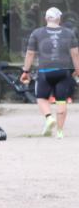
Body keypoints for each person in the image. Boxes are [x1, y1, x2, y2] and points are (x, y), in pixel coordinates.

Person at [20, 7, 79, 139]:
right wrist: (77, 69)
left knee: (41, 98)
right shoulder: (69, 33)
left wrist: (26, 71)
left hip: (45, 71)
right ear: (59, 19)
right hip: (64, 71)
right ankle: (60, 131)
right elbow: (75, 53)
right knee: (61, 100)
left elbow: (30, 53)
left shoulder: (37, 33)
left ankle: (49, 117)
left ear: (46, 18)